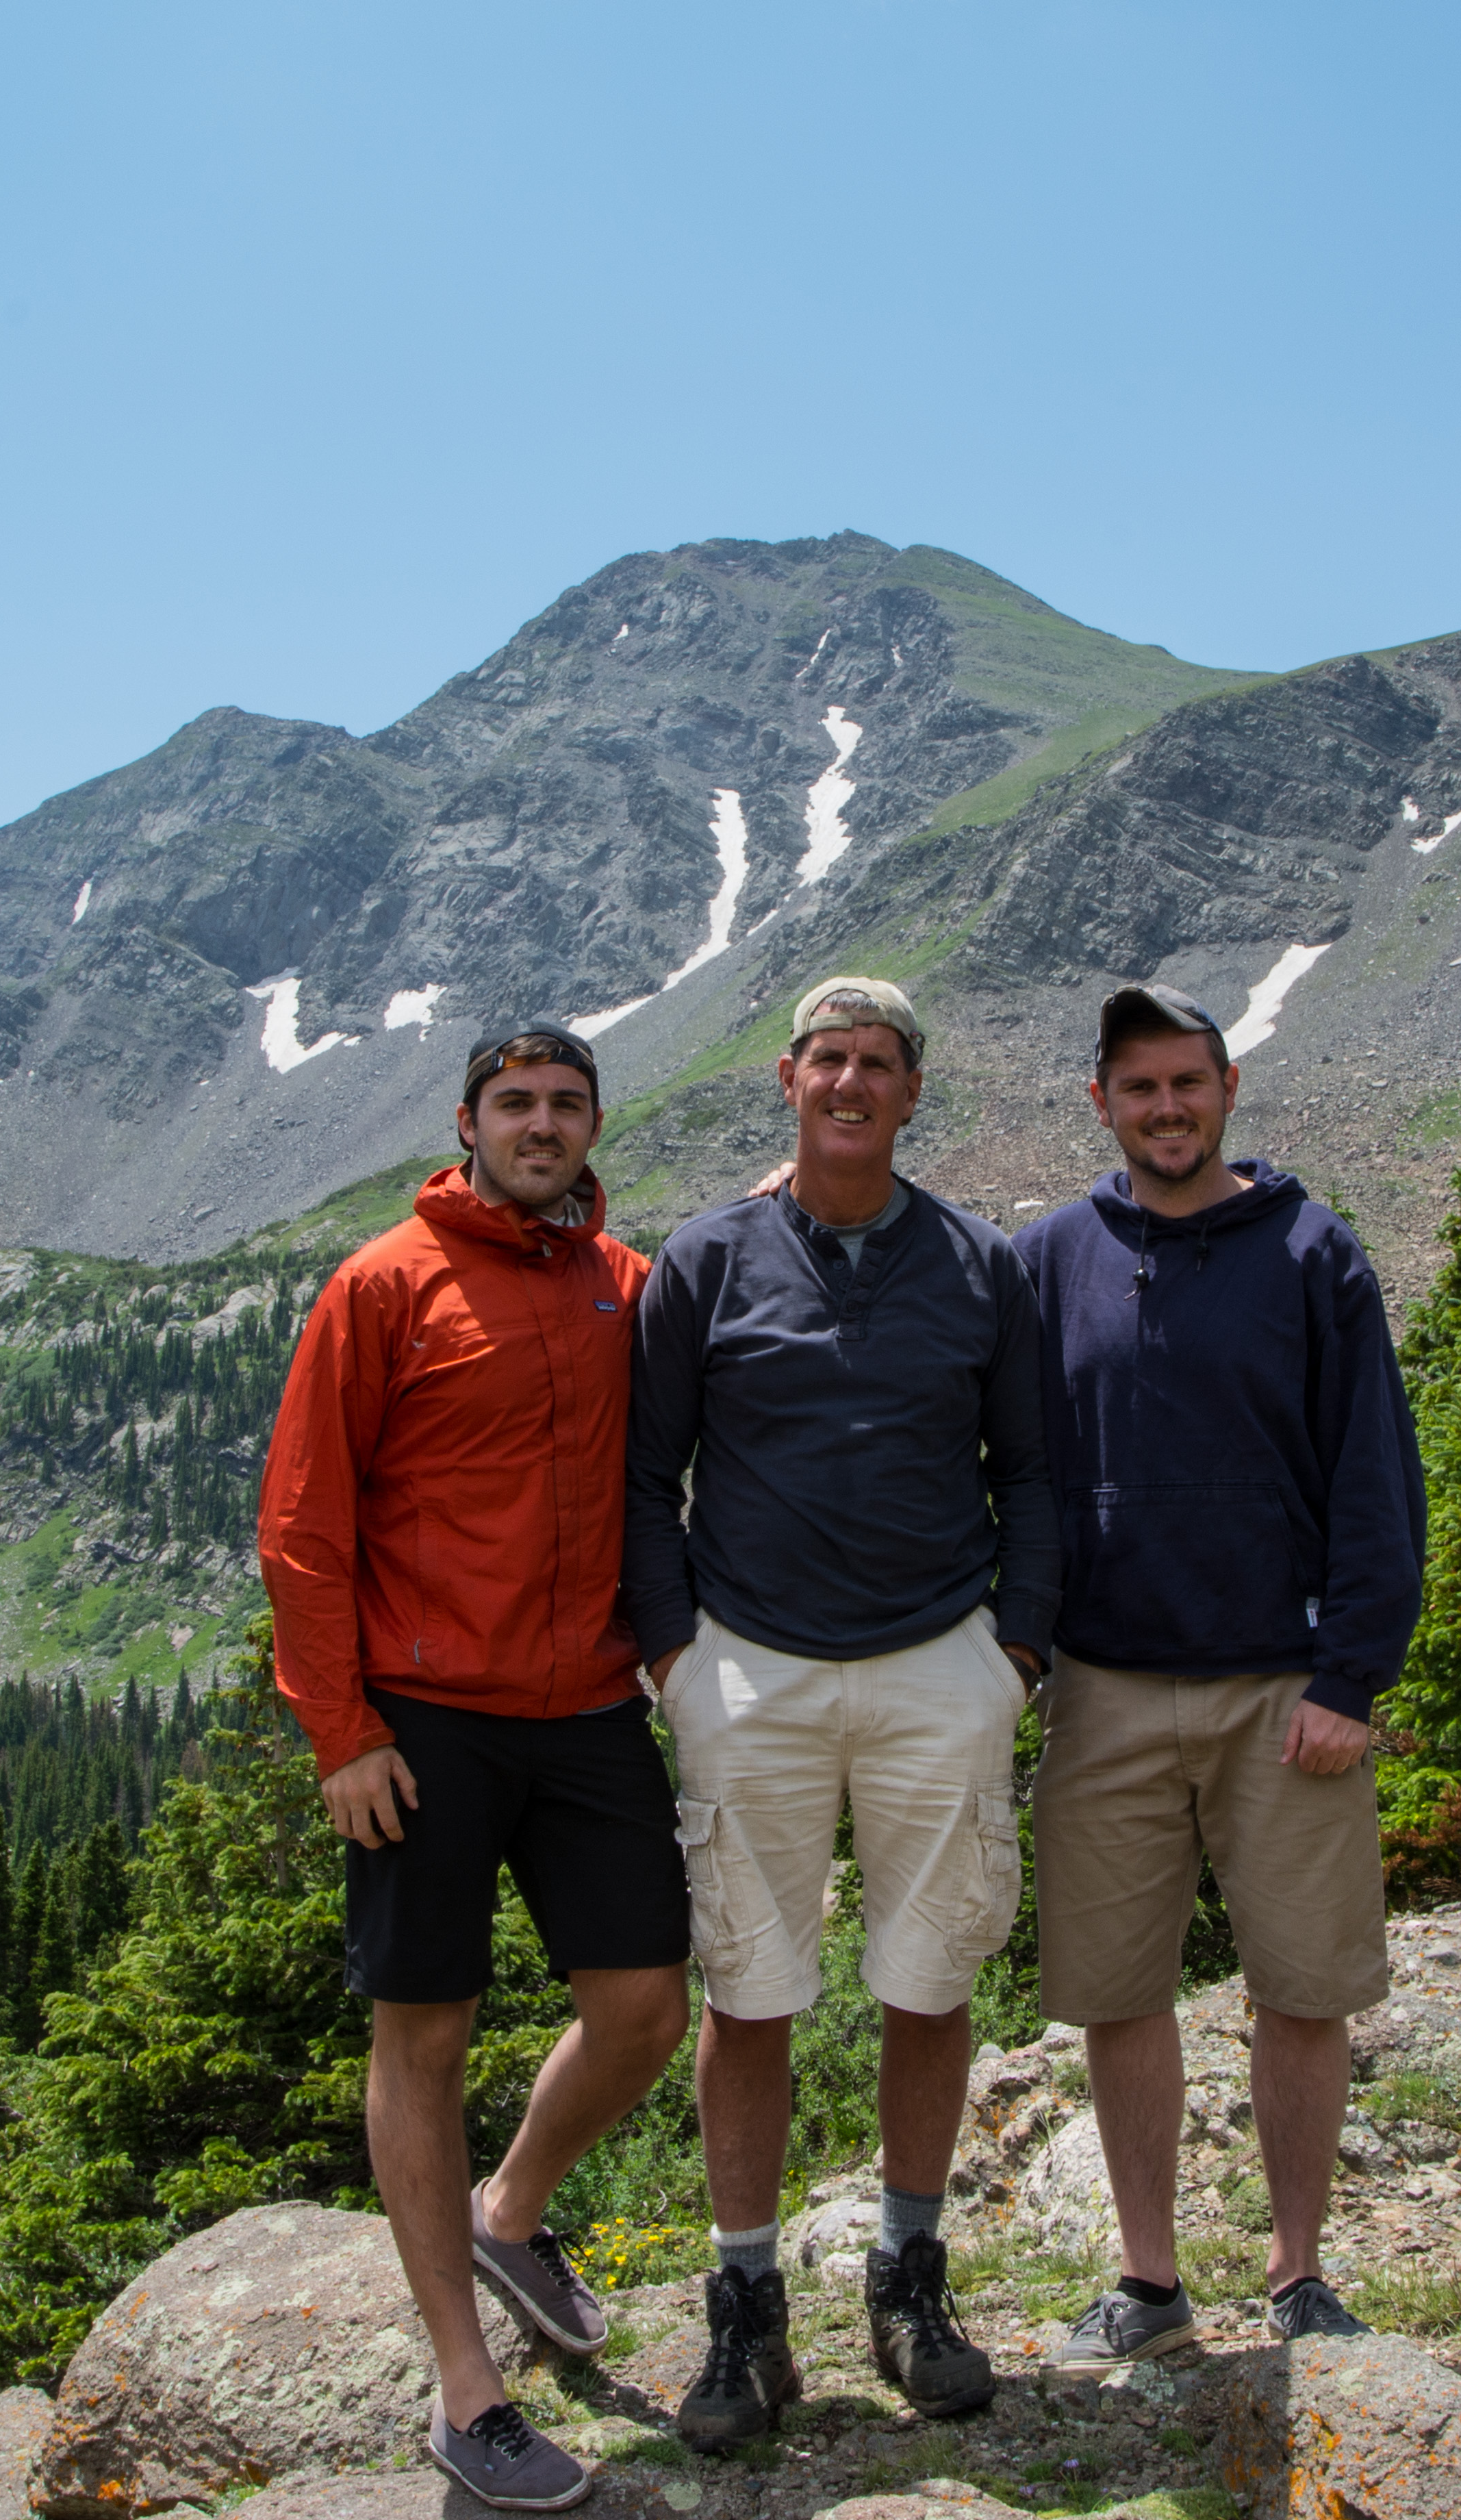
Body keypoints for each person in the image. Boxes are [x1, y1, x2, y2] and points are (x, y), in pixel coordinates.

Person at [261, 1024, 690, 2512]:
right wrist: (343, 1732)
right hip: (424, 1724)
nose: (544, 1124)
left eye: (568, 1104)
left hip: (584, 1706)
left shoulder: (622, 1283)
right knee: (423, 2038)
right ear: (468, 1123)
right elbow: (304, 1522)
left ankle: (514, 2209)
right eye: (518, 1103)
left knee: (642, 2009)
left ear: (590, 1129)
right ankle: (466, 2388)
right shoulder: (384, 1280)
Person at [622, 974, 1056, 2443]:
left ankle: (910, 2275)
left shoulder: (981, 1265)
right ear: (789, 1082)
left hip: (942, 1656)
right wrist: (676, 1655)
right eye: (828, 1059)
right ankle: (745, 2315)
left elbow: (1036, 1472)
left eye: (880, 1062)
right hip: (751, 1665)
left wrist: (1019, 1653)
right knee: (748, 1988)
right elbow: (643, 1474)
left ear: (912, 1091)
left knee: (930, 1974)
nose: (852, 1082)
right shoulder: (710, 1257)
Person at [1010, 981, 1427, 2368]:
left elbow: (1376, 1477)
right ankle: (1149, 2277)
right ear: (1103, 1103)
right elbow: (1007, 1470)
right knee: (1119, 1990)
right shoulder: (1050, 1255)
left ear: (1229, 1087)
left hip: (1285, 1686)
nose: (1167, 1107)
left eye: (1188, 1082)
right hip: (1104, 1683)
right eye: (1140, 1088)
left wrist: (1351, 1676)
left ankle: (1300, 2270)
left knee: (1302, 1985)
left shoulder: (1315, 1251)